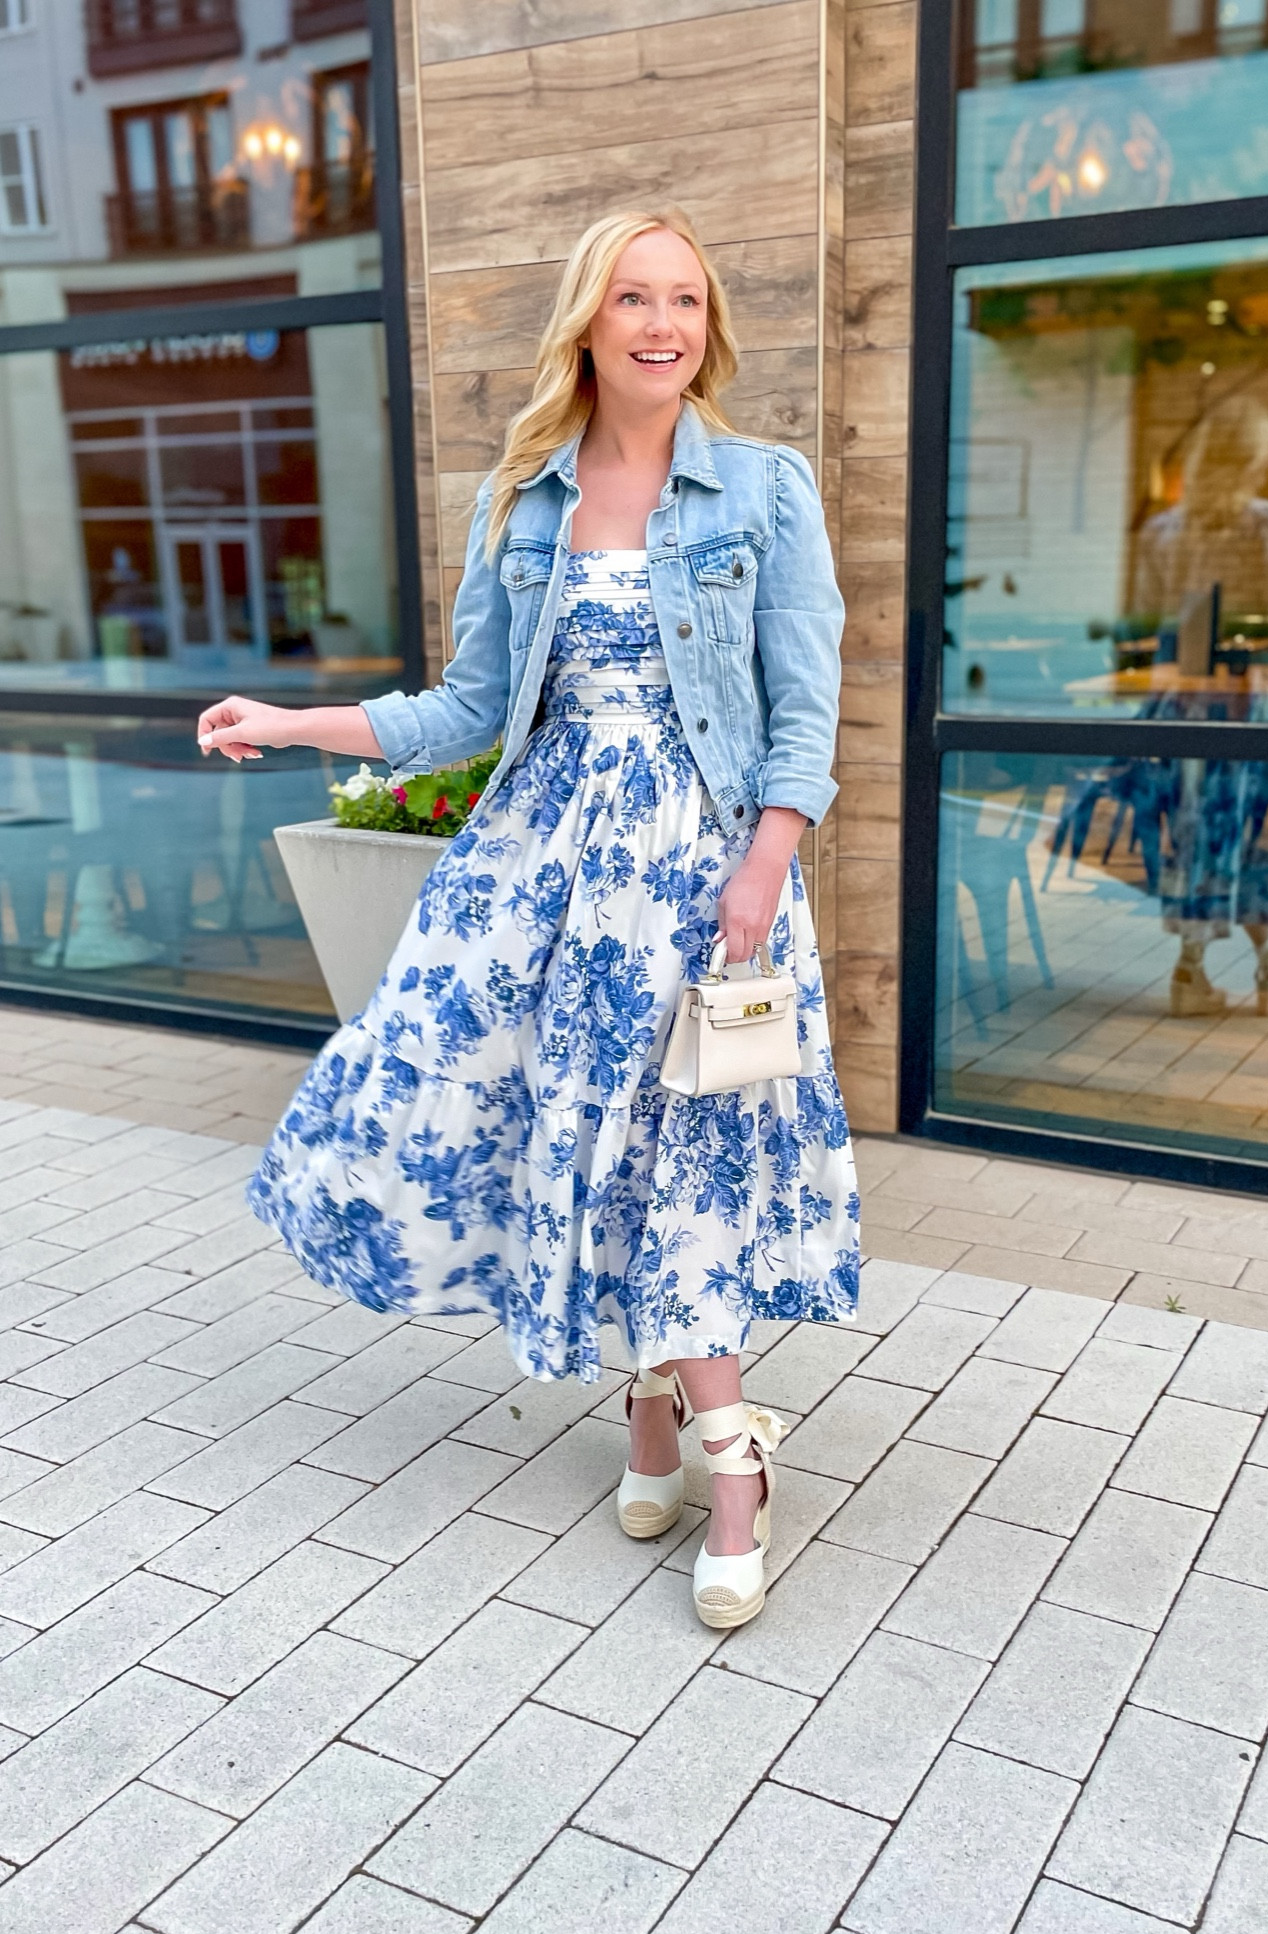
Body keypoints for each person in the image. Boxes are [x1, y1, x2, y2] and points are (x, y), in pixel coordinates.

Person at [197, 208, 859, 1629]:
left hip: (700, 872)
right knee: (567, 1125)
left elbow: (806, 704)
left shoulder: (762, 489)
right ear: (588, 321)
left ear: (707, 325)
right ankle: (653, 1415)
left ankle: (726, 1466)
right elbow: (473, 710)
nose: (663, 323)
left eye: (685, 297)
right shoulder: (526, 500)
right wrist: (294, 719)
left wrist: (767, 858)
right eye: (634, 297)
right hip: (549, 878)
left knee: (684, 1145)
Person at [1131, 396, 1268, 1018]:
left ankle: (1191, 970)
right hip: (1249, 701)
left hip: (1182, 701)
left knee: (1194, 829)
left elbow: (1150, 625)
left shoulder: (1162, 532)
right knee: (1259, 825)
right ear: (1254, 457)